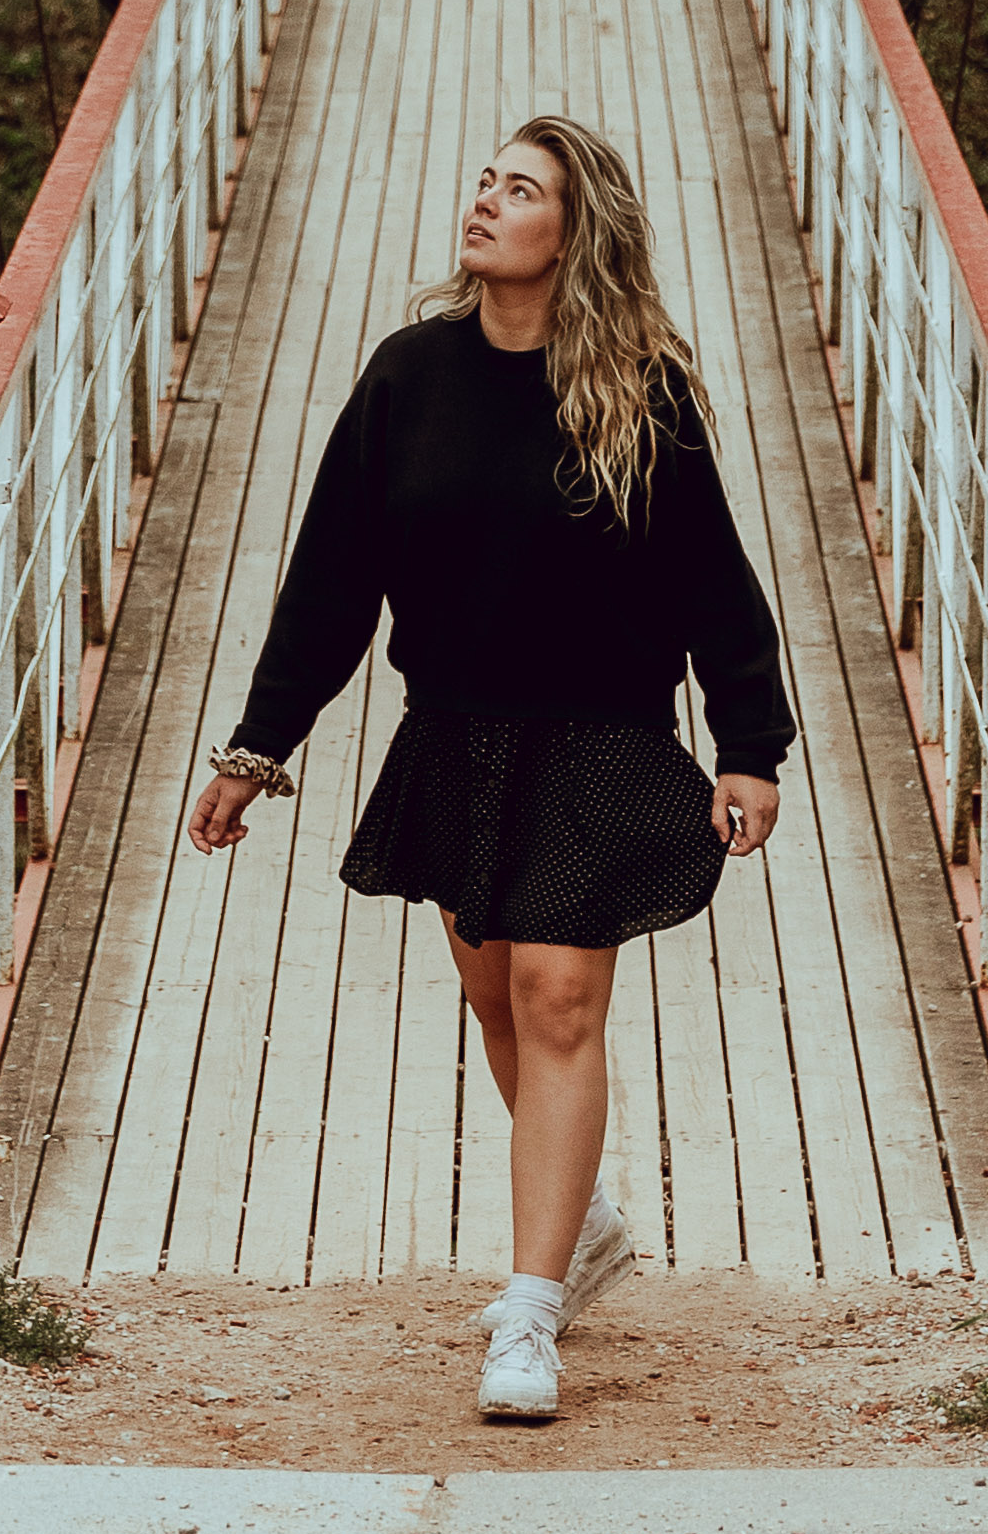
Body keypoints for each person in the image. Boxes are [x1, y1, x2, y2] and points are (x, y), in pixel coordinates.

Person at [185, 114, 791, 1425]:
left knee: (560, 996)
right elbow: (331, 585)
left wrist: (751, 743)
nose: (488, 200)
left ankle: (529, 1312)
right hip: (455, 732)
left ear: (572, 232)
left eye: (520, 189)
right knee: (497, 996)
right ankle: (587, 1221)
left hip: (602, 735)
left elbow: (714, 579)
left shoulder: (645, 389)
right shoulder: (409, 377)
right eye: (486, 179)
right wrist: (256, 746)